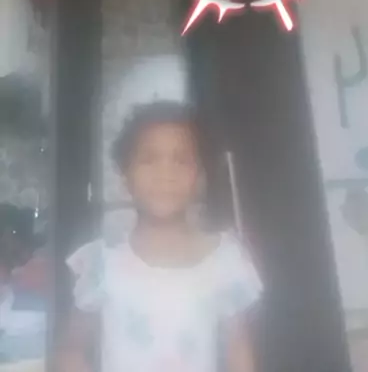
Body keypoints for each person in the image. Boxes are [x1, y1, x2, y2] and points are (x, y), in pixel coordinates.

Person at [60, 101, 262, 372]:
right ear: (125, 177)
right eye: (149, 159)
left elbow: (239, 349)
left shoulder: (225, 260)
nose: (166, 174)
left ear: (199, 177)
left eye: (181, 160)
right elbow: (72, 349)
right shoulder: (102, 262)